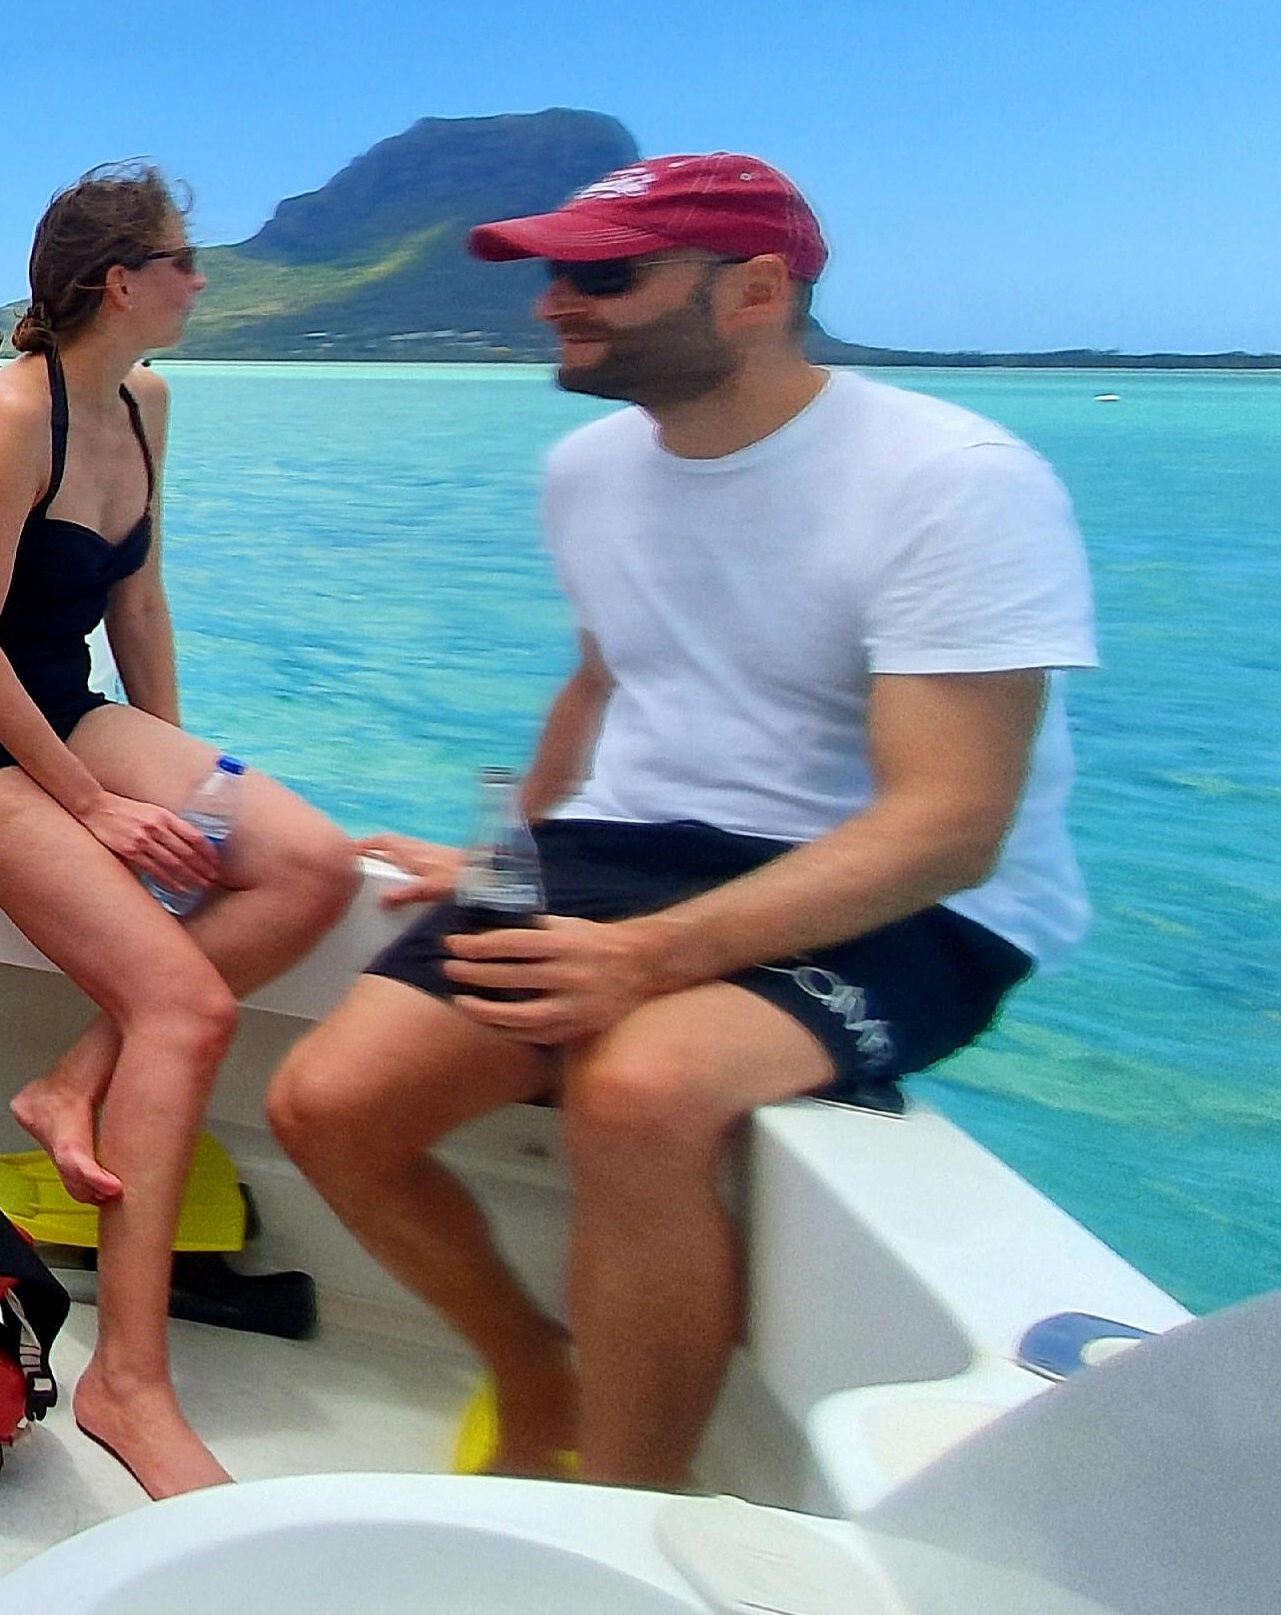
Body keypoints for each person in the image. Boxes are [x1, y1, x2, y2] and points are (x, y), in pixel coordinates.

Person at [266, 153, 1095, 1492]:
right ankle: (538, 1367)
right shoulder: (592, 470)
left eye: (603, 274)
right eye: (553, 271)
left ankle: (627, 1506)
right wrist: (507, 858)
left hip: (908, 890)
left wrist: (647, 961)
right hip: (632, 846)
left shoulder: (954, 479)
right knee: (330, 1103)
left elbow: (952, 823)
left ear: (756, 290)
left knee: (642, 1092)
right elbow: (604, 678)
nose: (553, 304)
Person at [0, 163, 358, 1498]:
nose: (203, 277)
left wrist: (180, 772)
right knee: (184, 1004)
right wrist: (101, 812)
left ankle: (71, 1081)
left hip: (61, 702)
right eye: (185, 259)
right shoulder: (10, 413)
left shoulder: (145, 401)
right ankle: (128, 1382)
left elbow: (135, 595)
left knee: (303, 861)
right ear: (120, 280)